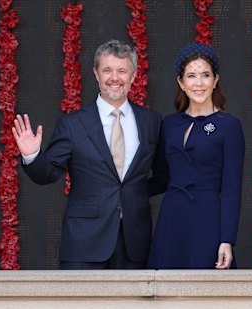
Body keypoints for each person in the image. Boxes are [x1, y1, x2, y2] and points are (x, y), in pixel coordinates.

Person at [12, 40, 162, 270]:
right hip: (84, 244)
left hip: (135, 243)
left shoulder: (151, 121)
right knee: (81, 308)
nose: (114, 77)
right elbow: (48, 173)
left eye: (122, 71)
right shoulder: (73, 124)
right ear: (96, 74)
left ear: (133, 76)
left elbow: (163, 175)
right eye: (107, 70)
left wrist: (133, 195)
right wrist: (32, 155)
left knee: (130, 308)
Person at [147, 43, 245, 270]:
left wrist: (227, 240)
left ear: (216, 80)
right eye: (191, 76)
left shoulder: (229, 126)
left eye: (205, 75)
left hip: (208, 220)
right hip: (171, 220)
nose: (198, 83)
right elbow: (161, 178)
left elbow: (232, 188)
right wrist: (123, 191)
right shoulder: (170, 124)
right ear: (181, 82)